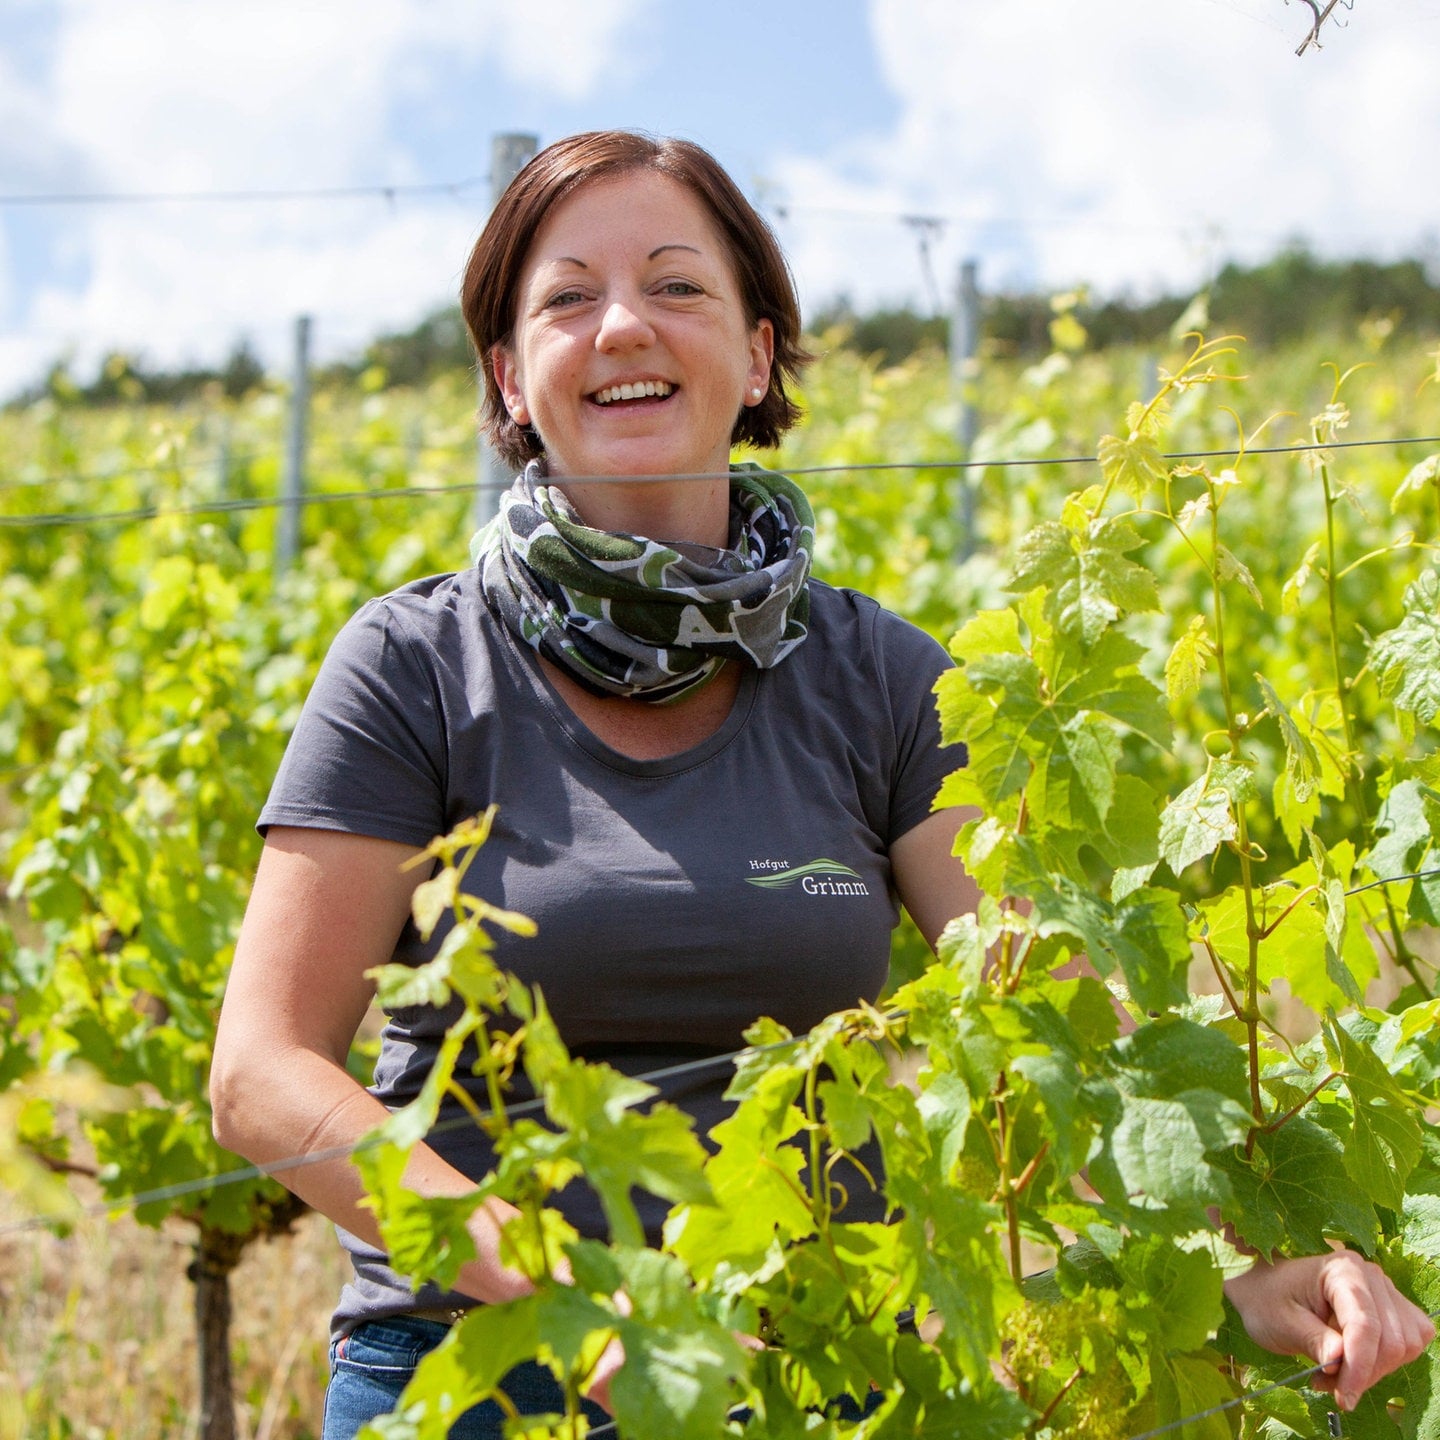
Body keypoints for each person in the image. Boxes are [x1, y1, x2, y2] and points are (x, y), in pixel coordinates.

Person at [209, 131, 1432, 1440]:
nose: (623, 326)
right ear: (511, 380)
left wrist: (1243, 1267)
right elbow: (260, 1075)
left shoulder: (884, 680)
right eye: (568, 298)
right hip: (472, 1361)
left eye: (679, 287)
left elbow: (1056, 1031)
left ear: (760, 357)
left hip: (807, 1373)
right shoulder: (412, 667)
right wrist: (566, 1287)